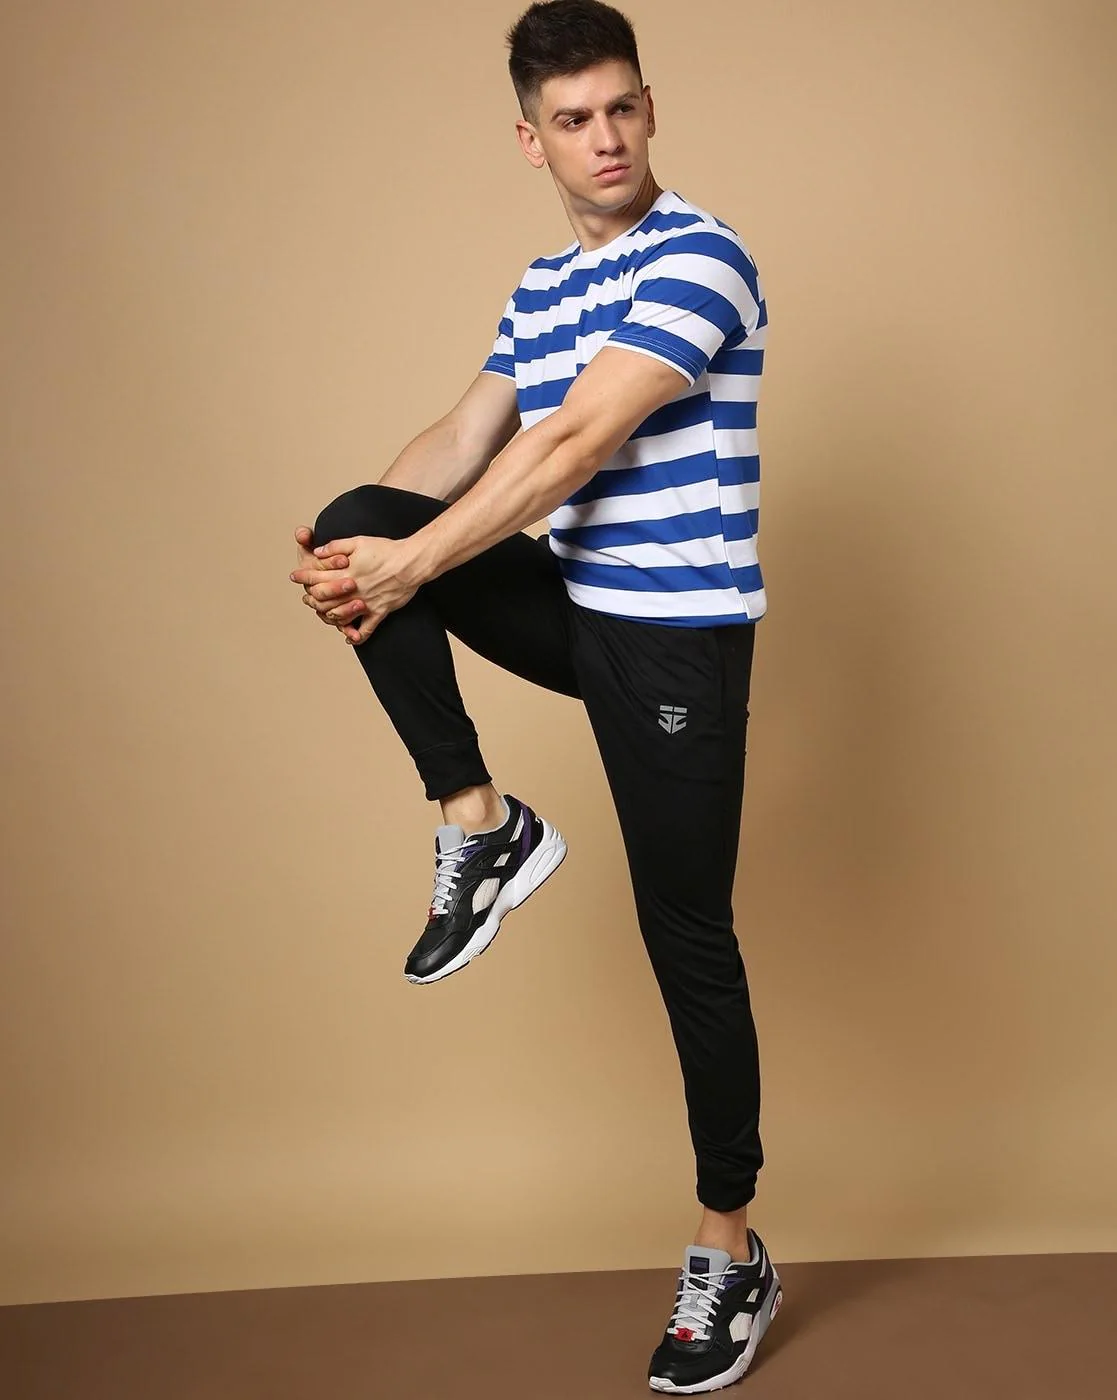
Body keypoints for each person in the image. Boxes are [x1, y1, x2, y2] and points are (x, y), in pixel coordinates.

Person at [288, 1, 782, 1390]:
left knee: (687, 935)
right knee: (360, 516)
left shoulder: (703, 257)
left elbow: (573, 443)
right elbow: (467, 438)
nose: (604, 137)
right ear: (532, 140)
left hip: (678, 646)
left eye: (622, 108)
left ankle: (730, 1247)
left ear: (650, 109)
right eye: (573, 119)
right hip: (578, 611)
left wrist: (412, 567)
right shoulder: (544, 285)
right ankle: (482, 820)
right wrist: (357, 559)